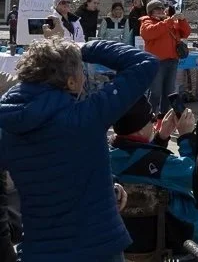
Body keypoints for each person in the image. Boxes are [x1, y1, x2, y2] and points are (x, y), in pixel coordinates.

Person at [0, 39, 159, 261]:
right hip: (98, 248)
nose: (85, 80)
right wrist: (82, 48)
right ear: (72, 82)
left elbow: (57, 168)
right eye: (82, 73)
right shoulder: (87, 117)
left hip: (39, 251)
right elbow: (144, 61)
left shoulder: (7, 125)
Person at [109, 96, 198, 254]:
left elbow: (138, 163)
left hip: (124, 242)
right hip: (177, 239)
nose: (155, 123)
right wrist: (186, 138)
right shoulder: (162, 164)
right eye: (152, 120)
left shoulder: (107, 158)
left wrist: (160, 139)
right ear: (140, 129)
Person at [139, 0, 191, 116]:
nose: (161, 11)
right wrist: (168, 22)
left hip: (172, 61)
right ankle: (149, 117)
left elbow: (186, 33)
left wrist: (182, 20)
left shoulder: (169, 22)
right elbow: (149, 33)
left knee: (169, 93)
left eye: (162, 9)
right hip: (156, 63)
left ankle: (162, 118)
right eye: (157, 9)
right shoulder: (146, 22)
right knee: (155, 92)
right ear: (151, 12)